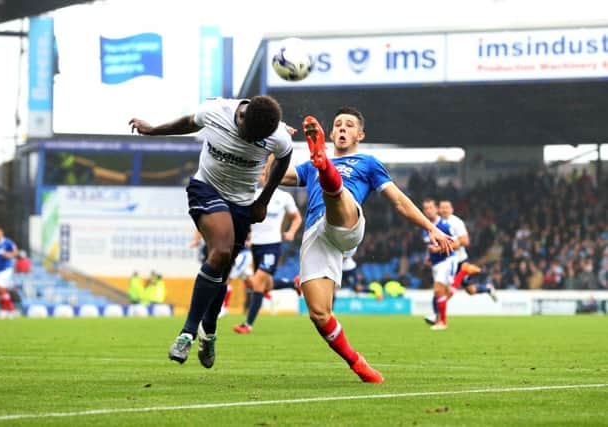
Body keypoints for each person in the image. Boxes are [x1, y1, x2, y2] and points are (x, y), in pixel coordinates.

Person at [279, 107, 453, 383]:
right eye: (338, 125)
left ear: (360, 135)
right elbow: (270, 176)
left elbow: (398, 200)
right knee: (319, 314)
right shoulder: (307, 166)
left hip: (347, 223)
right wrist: (272, 142)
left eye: (349, 125)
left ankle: (328, 172)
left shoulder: (368, 162)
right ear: (332, 133)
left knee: (337, 195)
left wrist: (430, 227)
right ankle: (357, 363)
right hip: (316, 235)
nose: (343, 129)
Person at [129, 95, 292, 369]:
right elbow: (188, 123)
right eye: (248, 136)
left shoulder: (277, 136)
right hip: (207, 189)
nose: (252, 142)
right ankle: (187, 334)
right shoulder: (216, 111)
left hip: (242, 203)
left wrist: (263, 200)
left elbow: (283, 160)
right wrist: (153, 129)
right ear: (241, 117)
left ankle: (210, 332)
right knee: (221, 252)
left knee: (221, 274)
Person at [233, 157, 302, 334]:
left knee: (257, 283)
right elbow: (246, 219)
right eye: (262, 173)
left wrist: (291, 232)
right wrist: (247, 234)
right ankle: (293, 284)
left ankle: (247, 324)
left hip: (272, 245)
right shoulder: (253, 195)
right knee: (266, 285)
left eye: (266, 173)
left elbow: (297, 218)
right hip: (256, 246)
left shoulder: (283, 197)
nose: (263, 176)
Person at [424, 199, 497, 325]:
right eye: (442, 207)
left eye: (447, 207)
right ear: (438, 209)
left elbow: (465, 241)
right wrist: (430, 255)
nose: (444, 210)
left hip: (460, 261)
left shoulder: (455, 222)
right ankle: (437, 316)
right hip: (446, 260)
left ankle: (487, 289)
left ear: (452, 209)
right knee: (449, 289)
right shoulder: (436, 223)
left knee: (466, 291)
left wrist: (444, 247)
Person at [421, 199, 460, 331]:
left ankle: (442, 322)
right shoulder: (425, 227)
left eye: (430, 207)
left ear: (436, 209)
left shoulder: (444, 225)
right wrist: (429, 257)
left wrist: (438, 250)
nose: (428, 210)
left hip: (447, 260)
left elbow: (456, 243)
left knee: (438, 290)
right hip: (436, 263)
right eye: (425, 208)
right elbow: (430, 245)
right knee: (444, 292)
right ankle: (440, 320)